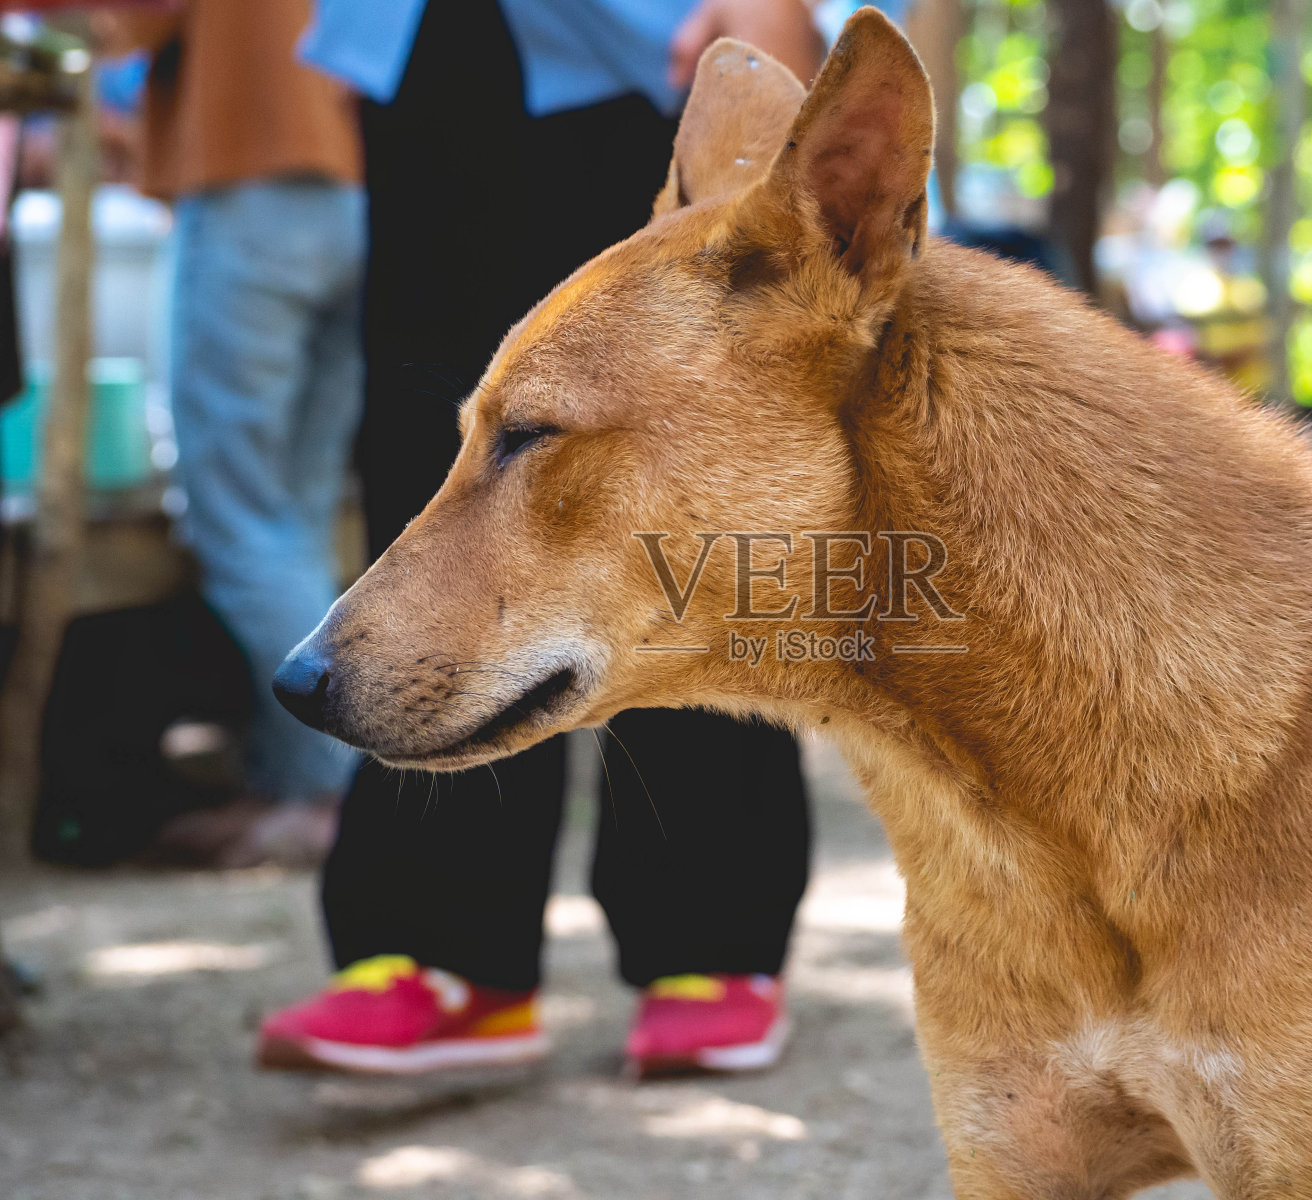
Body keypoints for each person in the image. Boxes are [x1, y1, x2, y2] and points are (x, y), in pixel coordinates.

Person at [255, 0, 828, 1077]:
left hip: (656, 62)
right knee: (432, 466)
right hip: (428, 52)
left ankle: (710, 933)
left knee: (673, 487)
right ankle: (444, 942)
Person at [106, 0, 365, 866]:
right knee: (296, 515)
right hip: (356, 189)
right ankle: (296, 785)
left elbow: (124, 22)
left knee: (238, 522)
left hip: (249, 183)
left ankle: (331, 791)